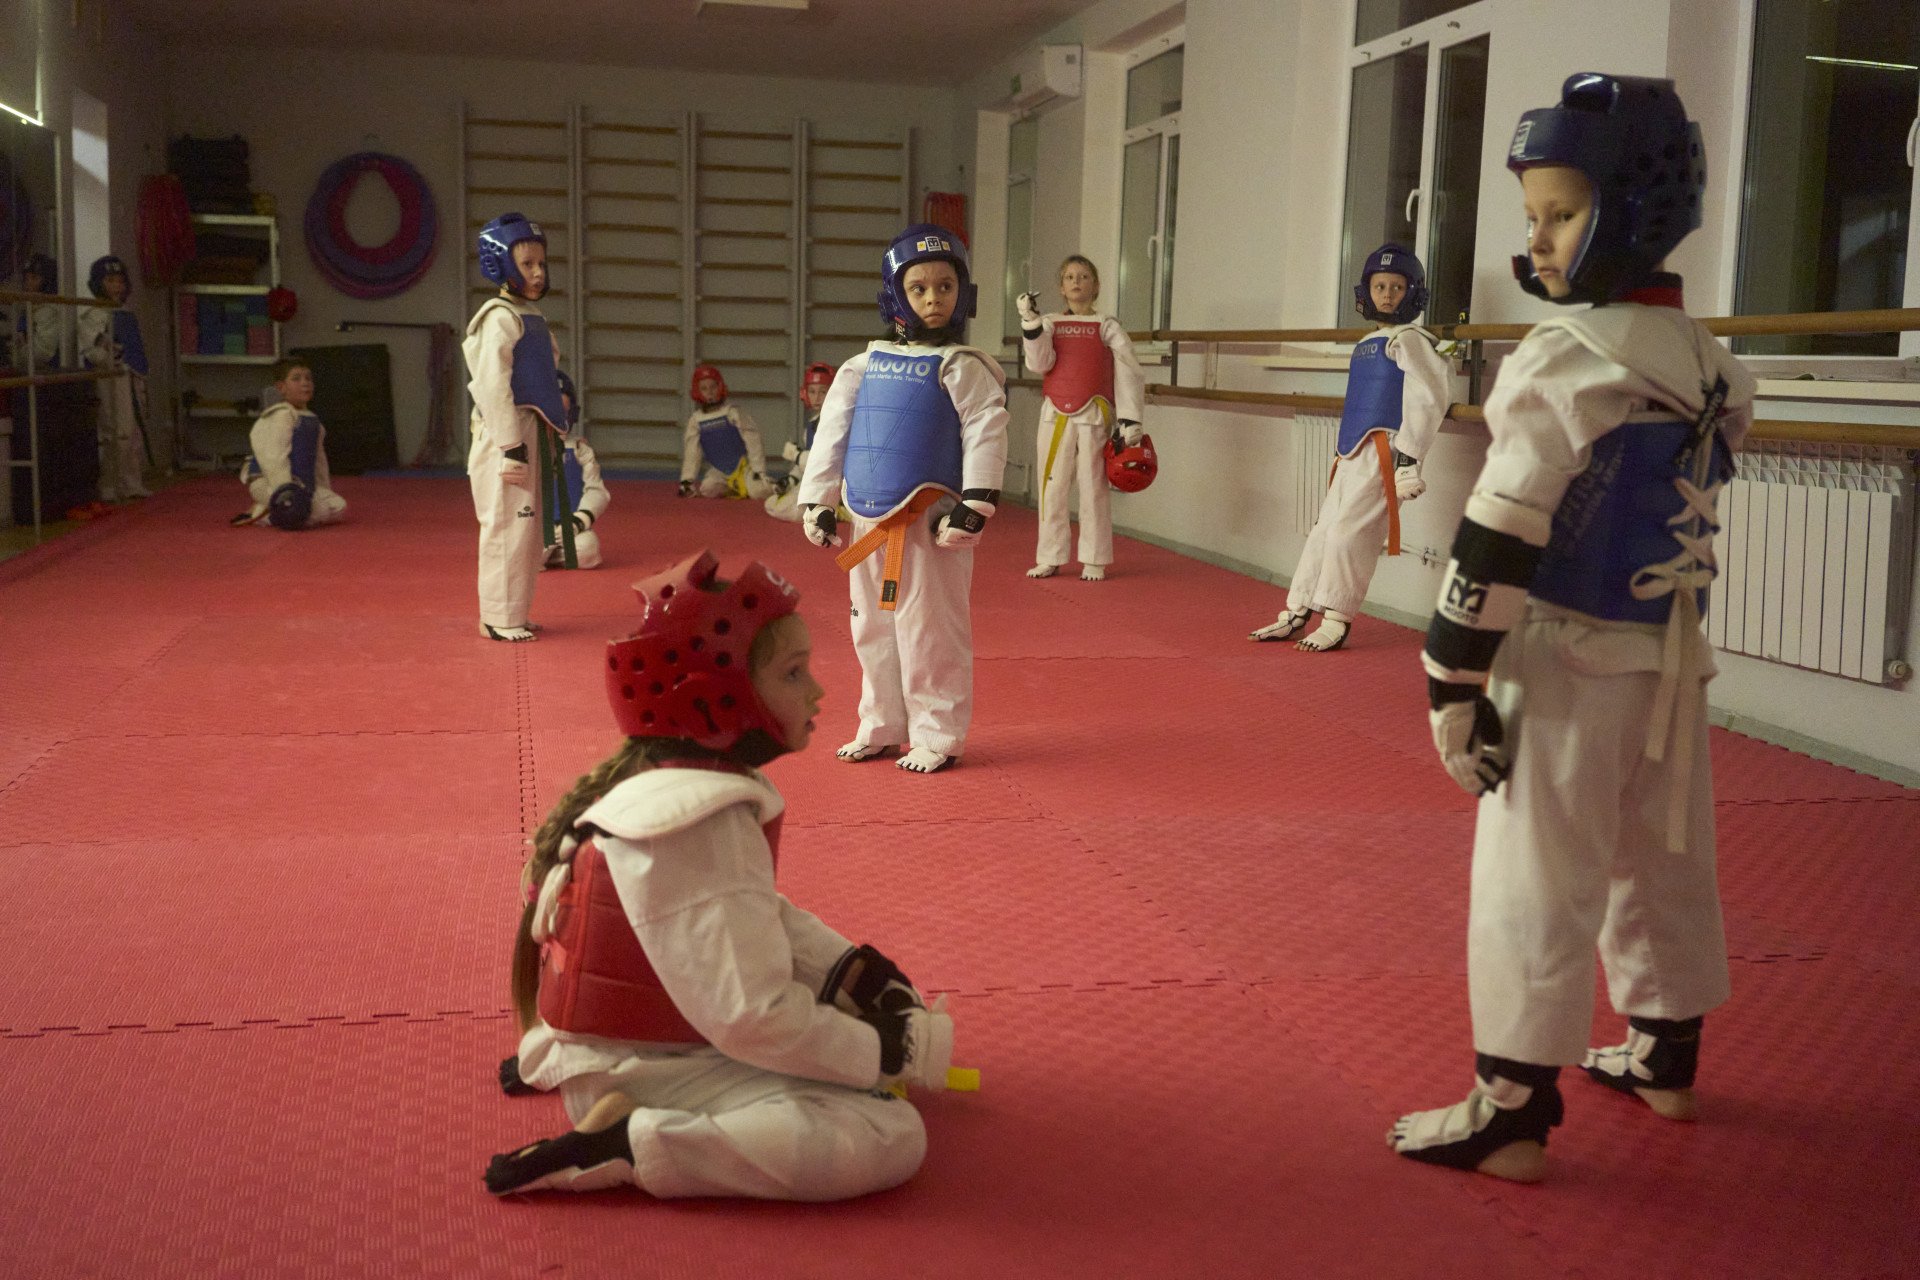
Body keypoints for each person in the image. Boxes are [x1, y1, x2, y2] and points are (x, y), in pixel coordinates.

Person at [1388, 73, 1755, 1183]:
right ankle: (1664, 1052)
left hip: (1563, 651)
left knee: (1533, 877)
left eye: (1558, 213)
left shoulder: (1568, 354)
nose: (1537, 239)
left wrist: (1452, 678)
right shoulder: (1709, 360)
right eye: (1532, 214)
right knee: (1661, 850)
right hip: (1668, 655)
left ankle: (1510, 1110)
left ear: (1630, 209)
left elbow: (1502, 530)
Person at [486, 551, 954, 1199]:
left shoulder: (663, 784)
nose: (817, 692)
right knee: (889, 1131)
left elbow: (749, 913)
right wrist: (876, 1052)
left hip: (618, 1040)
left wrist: (850, 971)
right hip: (642, 1064)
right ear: (713, 700)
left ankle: (592, 1085)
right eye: (793, 674)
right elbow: (749, 1018)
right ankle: (630, 1143)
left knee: (859, 1042)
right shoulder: (696, 826)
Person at [795, 224, 1010, 775]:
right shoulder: (860, 366)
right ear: (895, 295)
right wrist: (817, 501)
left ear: (964, 293)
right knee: (870, 626)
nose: (933, 299)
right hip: (867, 518)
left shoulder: (963, 365)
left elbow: (986, 429)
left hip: (931, 519)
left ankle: (938, 733)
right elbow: (832, 434)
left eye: (945, 286)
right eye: (919, 288)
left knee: (931, 628)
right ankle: (881, 724)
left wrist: (977, 503)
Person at [1250, 244, 1448, 651]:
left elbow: (1429, 398)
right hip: (1351, 452)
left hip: (1385, 451)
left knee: (1349, 534)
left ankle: (1337, 618)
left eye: (1397, 287)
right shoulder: (1369, 341)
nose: (1387, 295)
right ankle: (1297, 611)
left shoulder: (1411, 339)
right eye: (1380, 287)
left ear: (1413, 292)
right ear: (1366, 292)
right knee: (1322, 533)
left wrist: (1409, 459)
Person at [464, 212, 570, 642]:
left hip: (530, 430)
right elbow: (491, 386)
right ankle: (497, 617)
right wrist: (510, 446)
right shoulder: (498, 318)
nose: (538, 272)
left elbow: (544, 375)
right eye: (527, 264)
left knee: (527, 530)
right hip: (505, 434)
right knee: (506, 527)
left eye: (541, 263)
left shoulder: (530, 315)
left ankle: (515, 613)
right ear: (501, 265)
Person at [1015, 255, 1146, 581]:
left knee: (1093, 487)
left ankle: (1094, 558)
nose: (1076, 282)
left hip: (1093, 413)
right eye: (1070, 277)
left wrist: (1130, 418)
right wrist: (1030, 323)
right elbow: (1039, 363)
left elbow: (1129, 370)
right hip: (1055, 414)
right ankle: (1049, 556)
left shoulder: (1107, 325)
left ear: (1096, 285)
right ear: (1061, 287)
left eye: (1084, 276)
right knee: (1051, 487)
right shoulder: (1048, 323)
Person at [232, 357, 347, 529]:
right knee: (314, 511)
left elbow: (318, 461)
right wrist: (285, 491)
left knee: (339, 506)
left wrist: (322, 488)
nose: (305, 383)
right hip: (268, 482)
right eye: (296, 379)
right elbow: (274, 457)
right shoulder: (280, 415)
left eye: (308, 378)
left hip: (302, 485)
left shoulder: (313, 420)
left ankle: (272, 510)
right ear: (281, 388)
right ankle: (267, 513)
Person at [76, 254, 153, 501]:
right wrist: (112, 355)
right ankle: (108, 484)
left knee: (132, 431)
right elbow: (92, 351)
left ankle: (131, 482)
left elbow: (135, 348)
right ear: (99, 283)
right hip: (109, 378)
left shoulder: (126, 314)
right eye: (110, 281)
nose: (116, 286)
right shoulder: (93, 315)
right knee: (112, 432)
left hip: (131, 376)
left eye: (120, 281)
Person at [544, 367, 609, 569]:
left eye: (565, 412)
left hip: (569, 526)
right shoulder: (525, 448)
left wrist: (578, 521)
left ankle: (548, 555)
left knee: (588, 549)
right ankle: (542, 553)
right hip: (533, 527)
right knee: (534, 548)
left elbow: (597, 491)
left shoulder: (580, 450)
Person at [678, 364, 771, 499]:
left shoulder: (732, 413)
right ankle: (735, 486)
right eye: (704, 388)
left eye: (713, 387)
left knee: (758, 492)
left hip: (744, 467)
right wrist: (687, 480)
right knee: (707, 489)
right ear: (697, 391)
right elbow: (692, 452)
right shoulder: (696, 421)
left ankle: (775, 486)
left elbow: (753, 440)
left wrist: (758, 470)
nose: (709, 392)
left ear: (720, 387)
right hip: (720, 470)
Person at [765, 361, 834, 522]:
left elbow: (823, 463)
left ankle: (835, 510)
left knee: (787, 510)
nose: (817, 397)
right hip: (816, 483)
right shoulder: (811, 425)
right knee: (772, 503)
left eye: (823, 392)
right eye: (812, 392)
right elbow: (804, 467)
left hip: (831, 485)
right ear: (805, 393)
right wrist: (789, 481)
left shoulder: (835, 424)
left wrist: (796, 455)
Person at [10, 253, 62, 371]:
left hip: (48, 373)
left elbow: (42, 354)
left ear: (48, 282)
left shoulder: (49, 311)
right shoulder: (29, 310)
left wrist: (21, 349)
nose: (28, 283)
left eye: (34, 278)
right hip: (30, 370)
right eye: (26, 279)